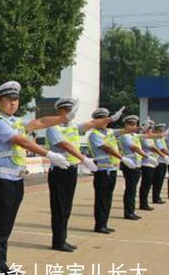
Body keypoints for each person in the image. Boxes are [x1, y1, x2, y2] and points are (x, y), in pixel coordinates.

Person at [0, 81, 72, 273]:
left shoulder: (16, 122)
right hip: (2, 180)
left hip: (16, 180)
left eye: (15, 99)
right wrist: (49, 154)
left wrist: (63, 117)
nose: (13, 103)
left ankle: (1, 265)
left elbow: (40, 122)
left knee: (6, 225)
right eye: (8, 99)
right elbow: (21, 140)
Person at [45, 98, 109, 252]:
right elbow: (65, 145)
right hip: (60, 170)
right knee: (59, 207)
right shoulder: (53, 128)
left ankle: (62, 239)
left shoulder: (74, 126)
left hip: (71, 169)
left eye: (70, 110)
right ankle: (58, 241)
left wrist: (110, 119)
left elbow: (93, 124)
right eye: (65, 110)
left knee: (67, 206)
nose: (68, 113)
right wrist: (84, 158)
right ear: (59, 111)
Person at [87, 107, 135, 234]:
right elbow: (106, 148)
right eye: (103, 119)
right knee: (101, 198)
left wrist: (142, 129)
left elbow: (126, 130)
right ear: (96, 120)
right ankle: (99, 225)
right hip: (102, 171)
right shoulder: (94, 135)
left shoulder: (110, 132)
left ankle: (104, 223)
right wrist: (122, 158)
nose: (106, 121)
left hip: (112, 170)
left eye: (107, 119)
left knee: (108, 198)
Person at [118, 115, 156, 220]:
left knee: (133, 189)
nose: (133, 126)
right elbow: (134, 148)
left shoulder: (135, 135)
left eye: (134, 124)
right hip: (129, 164)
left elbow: (148, 137)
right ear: (126, 125)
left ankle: (131, 211)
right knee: (130, 189)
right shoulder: (125, 136)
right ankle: (128, 212)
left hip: (136, 164)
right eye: (130, 124)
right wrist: (147, 157)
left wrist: (147, 127)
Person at [139, 120, 164, 211]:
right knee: (145, 184)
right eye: (148, 128)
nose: (150, 130)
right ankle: (143, 203)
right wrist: (163, 155)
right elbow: (152, 148)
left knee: (149, 184)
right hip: (146, 163)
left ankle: (145, 202)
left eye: (151, 128)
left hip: (152, 163)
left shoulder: (149, 137)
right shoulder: (143, 137)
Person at [151, 123, 169, 204]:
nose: (162, 132)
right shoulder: (157, 138)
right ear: (157, 130)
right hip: (159, 161)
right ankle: (156, 197)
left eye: (163, 130)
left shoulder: (161, 138)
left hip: (163, 161)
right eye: (160, 130)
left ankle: (157, 196)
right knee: (157, 180)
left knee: (160, 180)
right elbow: (162, 149)